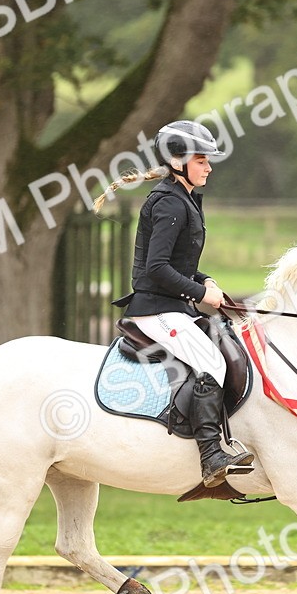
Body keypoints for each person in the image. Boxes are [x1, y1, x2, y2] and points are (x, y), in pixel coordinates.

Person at [96, 120, 254, 488]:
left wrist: (204, 280)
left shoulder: (184, 198)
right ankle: (211, 454)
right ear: (178, 161)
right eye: (202, 160)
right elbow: (157, 268)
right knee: (212, 362)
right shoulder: (170, 202)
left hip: (174, 307)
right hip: (155, 310)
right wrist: (201, 295)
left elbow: (180, 264)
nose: (209, 167)